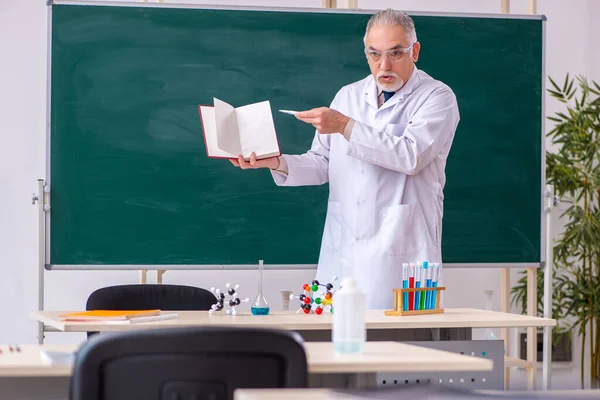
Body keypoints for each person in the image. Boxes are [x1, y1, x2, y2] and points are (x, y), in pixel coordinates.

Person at [230, 9, 460, 309]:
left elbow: (410, 155)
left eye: (395, 53)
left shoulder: (436, 97)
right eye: (374, 54)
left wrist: (344, 125)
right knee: (335, 346)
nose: (384, 64)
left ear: (414, 51)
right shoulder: (348, 97)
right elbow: (323, 163)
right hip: (343, 255)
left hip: (401, 256)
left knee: (395, 347)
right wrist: (275, 161)